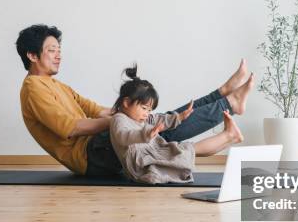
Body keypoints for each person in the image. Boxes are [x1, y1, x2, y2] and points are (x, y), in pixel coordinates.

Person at [16, 24, 254, 176]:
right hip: (91, 156)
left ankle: (222, 94)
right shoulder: (33, 88)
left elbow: (95, 110)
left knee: (156, 118)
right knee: (159, 131)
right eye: (51, 50)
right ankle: (228, 103)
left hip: (98, 145)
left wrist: (128, 113)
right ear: (32, 55)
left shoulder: (55, 84)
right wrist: (122, 120)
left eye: (59, 49)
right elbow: (68, 128)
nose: (58, 55)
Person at [110, 65, 244, 183]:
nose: (146, 113)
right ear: (126, 103)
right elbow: (124, 136)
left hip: (149, 153)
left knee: (183, 150)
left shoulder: (140, 117)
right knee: (184, 150)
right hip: (140, 164)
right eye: (144, 108)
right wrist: (145, 133)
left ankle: (230, 135)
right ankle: (229, 135)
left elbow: (158, 119)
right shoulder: (119, 119)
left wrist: (179, 117)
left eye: (149, 110)